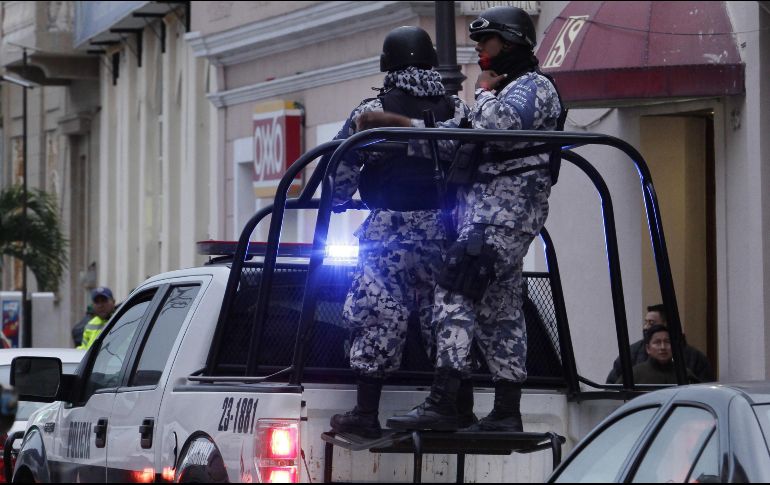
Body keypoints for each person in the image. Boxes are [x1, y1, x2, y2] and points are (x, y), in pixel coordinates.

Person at [361, 6, 566, 432]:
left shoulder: (533, 88)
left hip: (503, 217)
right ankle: (507, 412)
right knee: (500, 307)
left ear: (509, 43)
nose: (479, 52)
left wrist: (484, 90)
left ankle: (445, 402)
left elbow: (498, 126)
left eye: (485, 42)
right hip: (489, 220)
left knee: (453, 291)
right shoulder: (508, 88)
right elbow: (455, 136)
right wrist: (397, 125)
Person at [328, 26, 471, 439]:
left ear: (385, 65)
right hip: (445, 232)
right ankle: (456, 409)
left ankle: (366, 412)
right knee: (445, 317)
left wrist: (336, 200)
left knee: (378, 312)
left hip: (388, 233)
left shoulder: (373, 109)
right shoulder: (455, 110)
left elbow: (341, 171)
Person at [605, 304, 713, 383]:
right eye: (645, 322)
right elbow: (612, 390)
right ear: (648, 348)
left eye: (651, 323)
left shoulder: (694, 360)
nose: (646, 327)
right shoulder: (632, 356)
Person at [615, 324, 697, 384]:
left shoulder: (685, 374)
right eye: (657, 342)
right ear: (648, 348)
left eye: (667, 342)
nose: (663, 347)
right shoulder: (634, 374)